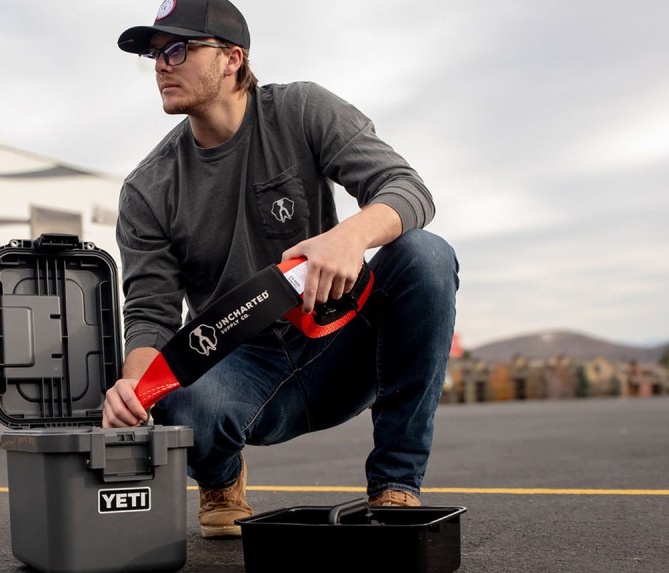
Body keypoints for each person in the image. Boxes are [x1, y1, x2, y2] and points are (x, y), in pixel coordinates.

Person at [104, 0, 459, 539]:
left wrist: (347, 238)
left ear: (232, 58)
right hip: (244, 367)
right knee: (172, 392)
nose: (160, 64)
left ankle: (397, 483)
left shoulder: (301, 109)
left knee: (426, 256)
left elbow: (409, 190)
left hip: (342, 339)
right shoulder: (147, 189)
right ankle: (221, 479)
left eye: (177, 49)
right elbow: (150, 313)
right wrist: (135, 388)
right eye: (154, 53)